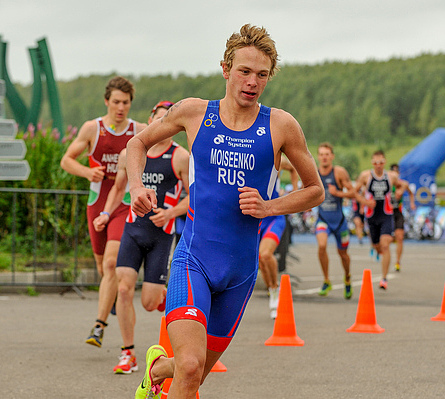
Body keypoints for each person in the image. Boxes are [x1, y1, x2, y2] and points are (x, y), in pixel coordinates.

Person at [126, 24, 325, 399]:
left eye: (262, 75)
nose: (252, 81)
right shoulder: (194, 112)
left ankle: (156, 369)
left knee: (194, 372)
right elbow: (137, 143)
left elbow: (315, 189)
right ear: (225, 68)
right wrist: (137, 187)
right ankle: (168, 369)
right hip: (194, 260)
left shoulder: (281, 125)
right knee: (189, 365)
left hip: (239, 272)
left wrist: (268, 207)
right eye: (244, 71)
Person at [93, 101, 190, 375]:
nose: (164, 127)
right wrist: (105, 213)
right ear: (150, 120)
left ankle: (161, 296)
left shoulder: (179, 157)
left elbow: (194, 196)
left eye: (170, 123)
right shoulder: (132, 153)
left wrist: (171, 213)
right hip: (133, 230)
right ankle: (128, 354)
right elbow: (119, 188)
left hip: (160, 235)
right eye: (160, 120)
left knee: (148, 303)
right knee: (123, 288)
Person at [60, 76, 147, 347]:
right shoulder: (92, 129)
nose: (121, 108)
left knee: (111, 263)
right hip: (97, 203)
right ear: (107, 101)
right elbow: (66, 160)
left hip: (123, 205)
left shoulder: (139, 130)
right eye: (116, 102)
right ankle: (109, 301)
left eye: (126, 103)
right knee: (102, 265)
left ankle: (98, 326)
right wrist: (88, 172)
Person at [354, 150, 404, 290]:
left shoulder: (391, 176)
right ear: (372, 163)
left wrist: (399, 192)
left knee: (385, 245)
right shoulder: (366, 176)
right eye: (376, 163)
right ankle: (377, 249)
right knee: (377, 246)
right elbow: (354, 192)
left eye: (381, 162)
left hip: (386, 215)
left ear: (385, 162)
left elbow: (401, 186)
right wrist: (365, 201)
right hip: (371, 216)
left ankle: (384, 279)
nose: (378, 165)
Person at [258, 156, 298, 319]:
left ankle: (275, 290)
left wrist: (294, 192)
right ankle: (272, 288)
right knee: (260, 260)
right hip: (256, 218)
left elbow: (293, 169)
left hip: (274, 216)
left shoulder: (275, 161)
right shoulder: (244, 158)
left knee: (266, 254)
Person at [314, 143, 355, 300]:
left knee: (343, 254)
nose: (324, 157)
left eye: (327, 154)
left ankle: (347, 277)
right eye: (321, 154)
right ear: (318, 157)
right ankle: (326, 280)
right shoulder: (314, 173)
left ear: (332, 156)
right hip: (323, 219)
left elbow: (352, 192)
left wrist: (337, 193)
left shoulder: (339, 172)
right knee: (322, 245)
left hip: (339, 222)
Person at [389, 163, 416, 272]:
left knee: (400, 237)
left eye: (397, 173)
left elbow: (410, 193)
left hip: (398, 213)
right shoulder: (387, 184)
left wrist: (412, 203)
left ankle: (397, 262)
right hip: (387, 214)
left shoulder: (403, 184)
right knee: (385, 239)